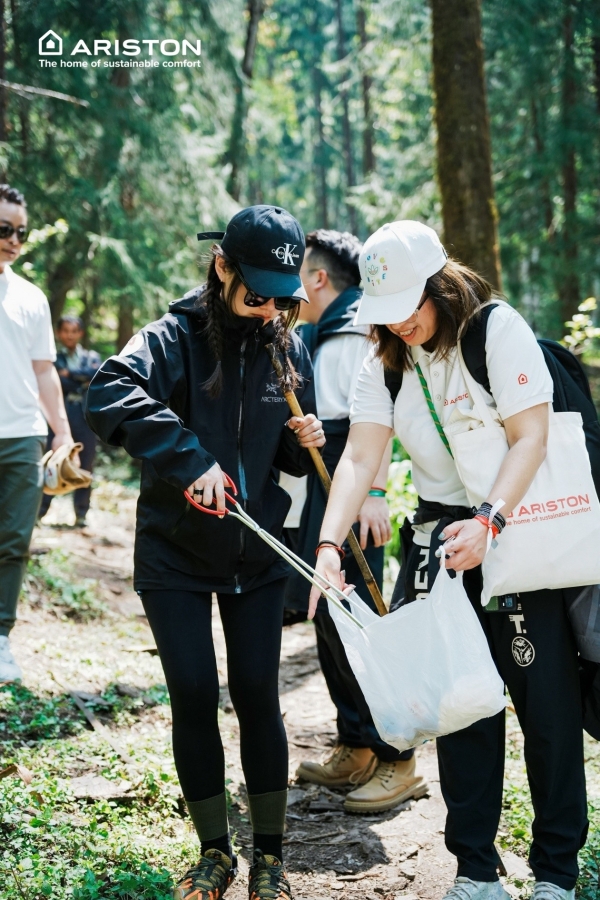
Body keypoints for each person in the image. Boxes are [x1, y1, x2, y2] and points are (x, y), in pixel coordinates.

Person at [310, 220, 587, 900]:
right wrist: (326, 543)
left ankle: (555, 870)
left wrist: (490, 520)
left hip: (520, 535)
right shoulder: (386, 360)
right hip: (442, 544)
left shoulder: (495, 331)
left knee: (546, 710)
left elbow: (530, 436)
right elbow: (359, 457)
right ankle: (474, 868)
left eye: (408, 305)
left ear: (440, 284)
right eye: (386, 312)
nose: (398, 323)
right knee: (461, 707)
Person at [86, 205, 325, 900]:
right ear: (221, 266)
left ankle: (271, 858)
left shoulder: (287, 342)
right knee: (194, 693)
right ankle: (215, 851)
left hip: (255, 551)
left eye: (282, 297)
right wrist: (189, 461)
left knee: (257, 696)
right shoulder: (169, 338)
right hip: (175, 554)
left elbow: (277, 457)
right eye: (256, 294)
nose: (267, 310)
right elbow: (109, 391)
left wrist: (301, 439)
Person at [282, 229, 427, 812]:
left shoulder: (351, 333)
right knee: (331, 619)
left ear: (319, 279)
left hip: (349, 488)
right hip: (325, 490)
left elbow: (369, 427)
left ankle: (393, 754)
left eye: (298, 274)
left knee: (360, 624)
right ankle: (356, 743)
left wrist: (371, 491)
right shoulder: (325, 330)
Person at [0, 183, 74, 684]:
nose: (14, 240)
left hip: (21, 436)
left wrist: (62, 434)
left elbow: (45, 372)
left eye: (21, 232)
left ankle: (0, 637)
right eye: (4, 229)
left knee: (13, 541)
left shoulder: (30, 298)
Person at [38, 315, 101, 527]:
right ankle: (39, 512)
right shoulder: (54, 357)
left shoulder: (90, 356)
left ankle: (81, 514)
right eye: (65, 330)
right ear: (59, 333)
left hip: (85, 418)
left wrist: (70, 375)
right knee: (50, 462)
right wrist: (79, 381)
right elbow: (54, 380)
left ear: (80, 333)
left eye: (74, 331)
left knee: (85, 464)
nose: (69, 335)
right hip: (59, 416)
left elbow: (97, 374)